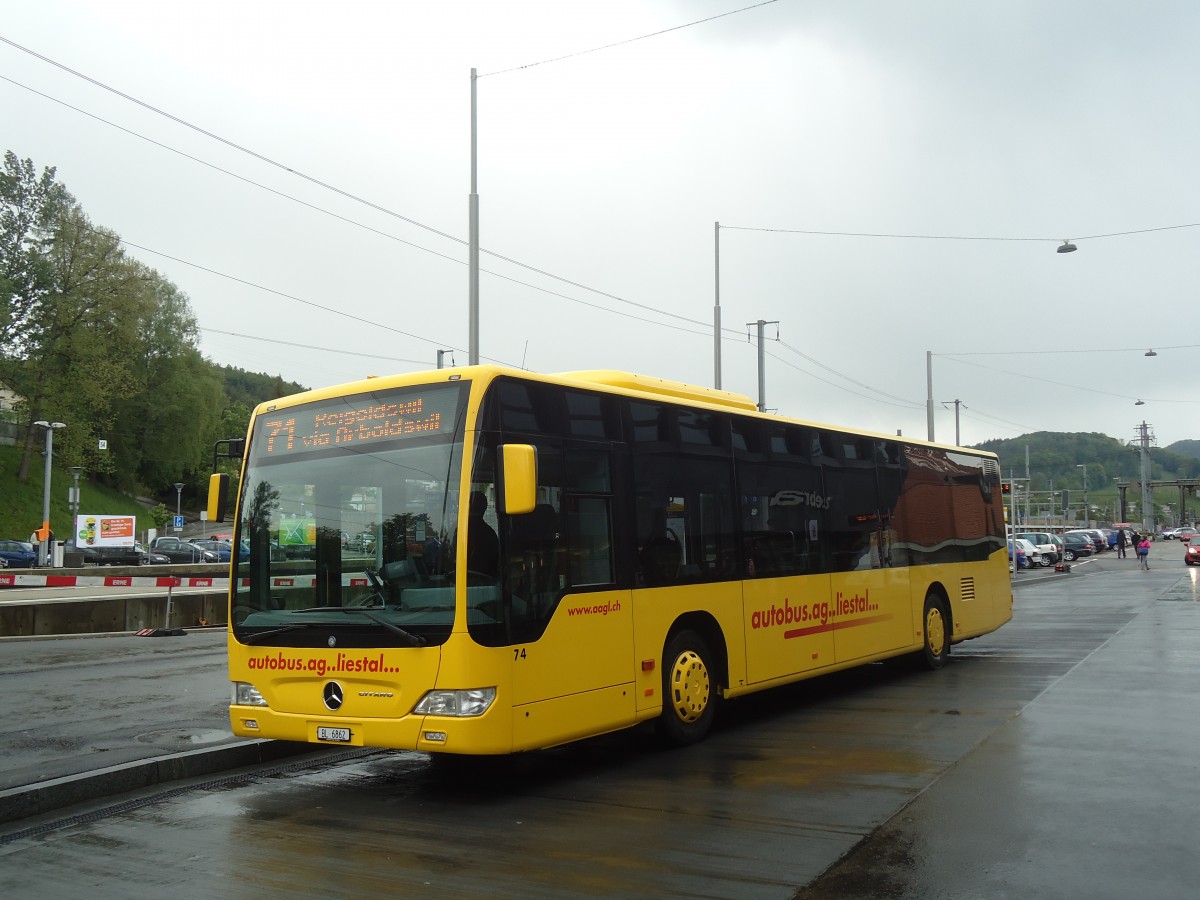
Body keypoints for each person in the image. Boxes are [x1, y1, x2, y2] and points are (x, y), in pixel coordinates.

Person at [463, 490, 499, 577]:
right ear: (484, 508)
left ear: (467, 506)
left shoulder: (457, 530)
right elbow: (496, 564)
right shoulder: (490, 534)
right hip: (485, 582)